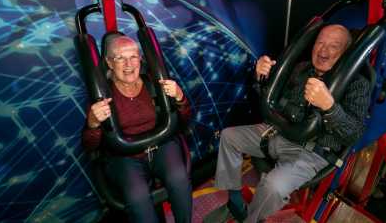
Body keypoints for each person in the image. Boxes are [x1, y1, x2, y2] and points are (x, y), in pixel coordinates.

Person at [207, 24, 371, 222]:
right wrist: (261, 77)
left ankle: (252, 219)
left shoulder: (358, 84)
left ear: (345, 53)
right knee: (229, 136)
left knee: (273, 187)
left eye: (333, 46)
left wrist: (330, 107)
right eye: (320, 43)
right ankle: (234, 201)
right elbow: (270, 99)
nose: (323, 51)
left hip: (309, 151)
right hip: (277, 133)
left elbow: (355, 134)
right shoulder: (301, 69)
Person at [81, 35, 192, 223]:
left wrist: (180, 97)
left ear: (140, 58)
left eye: (133, 57)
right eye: (120, 58)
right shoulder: (102, 95)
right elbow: (90, 145)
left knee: (178, 179)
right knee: (137, 198)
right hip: (125, 157)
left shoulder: (154, 83)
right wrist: (92, 123)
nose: (128, 64)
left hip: (161, 146)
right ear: (109, 62)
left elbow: (185, 119)